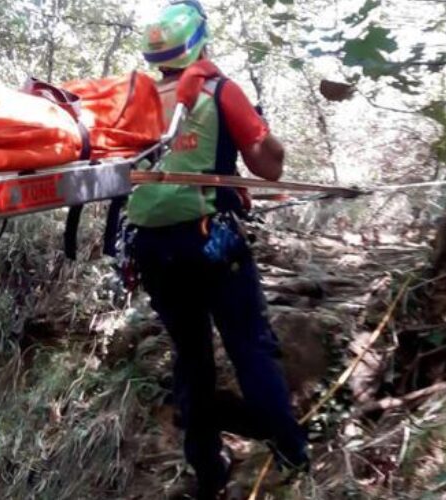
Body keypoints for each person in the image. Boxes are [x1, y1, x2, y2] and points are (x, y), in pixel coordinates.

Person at [126, 1, 309, 498]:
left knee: (191, 355)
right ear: (199, 41)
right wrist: (266, 132)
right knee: (249, 345)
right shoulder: (219, 89)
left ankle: (207, 469)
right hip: (210, 240)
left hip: (150, 247)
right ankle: (292, 451)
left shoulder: (135, 98)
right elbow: (269, 167)